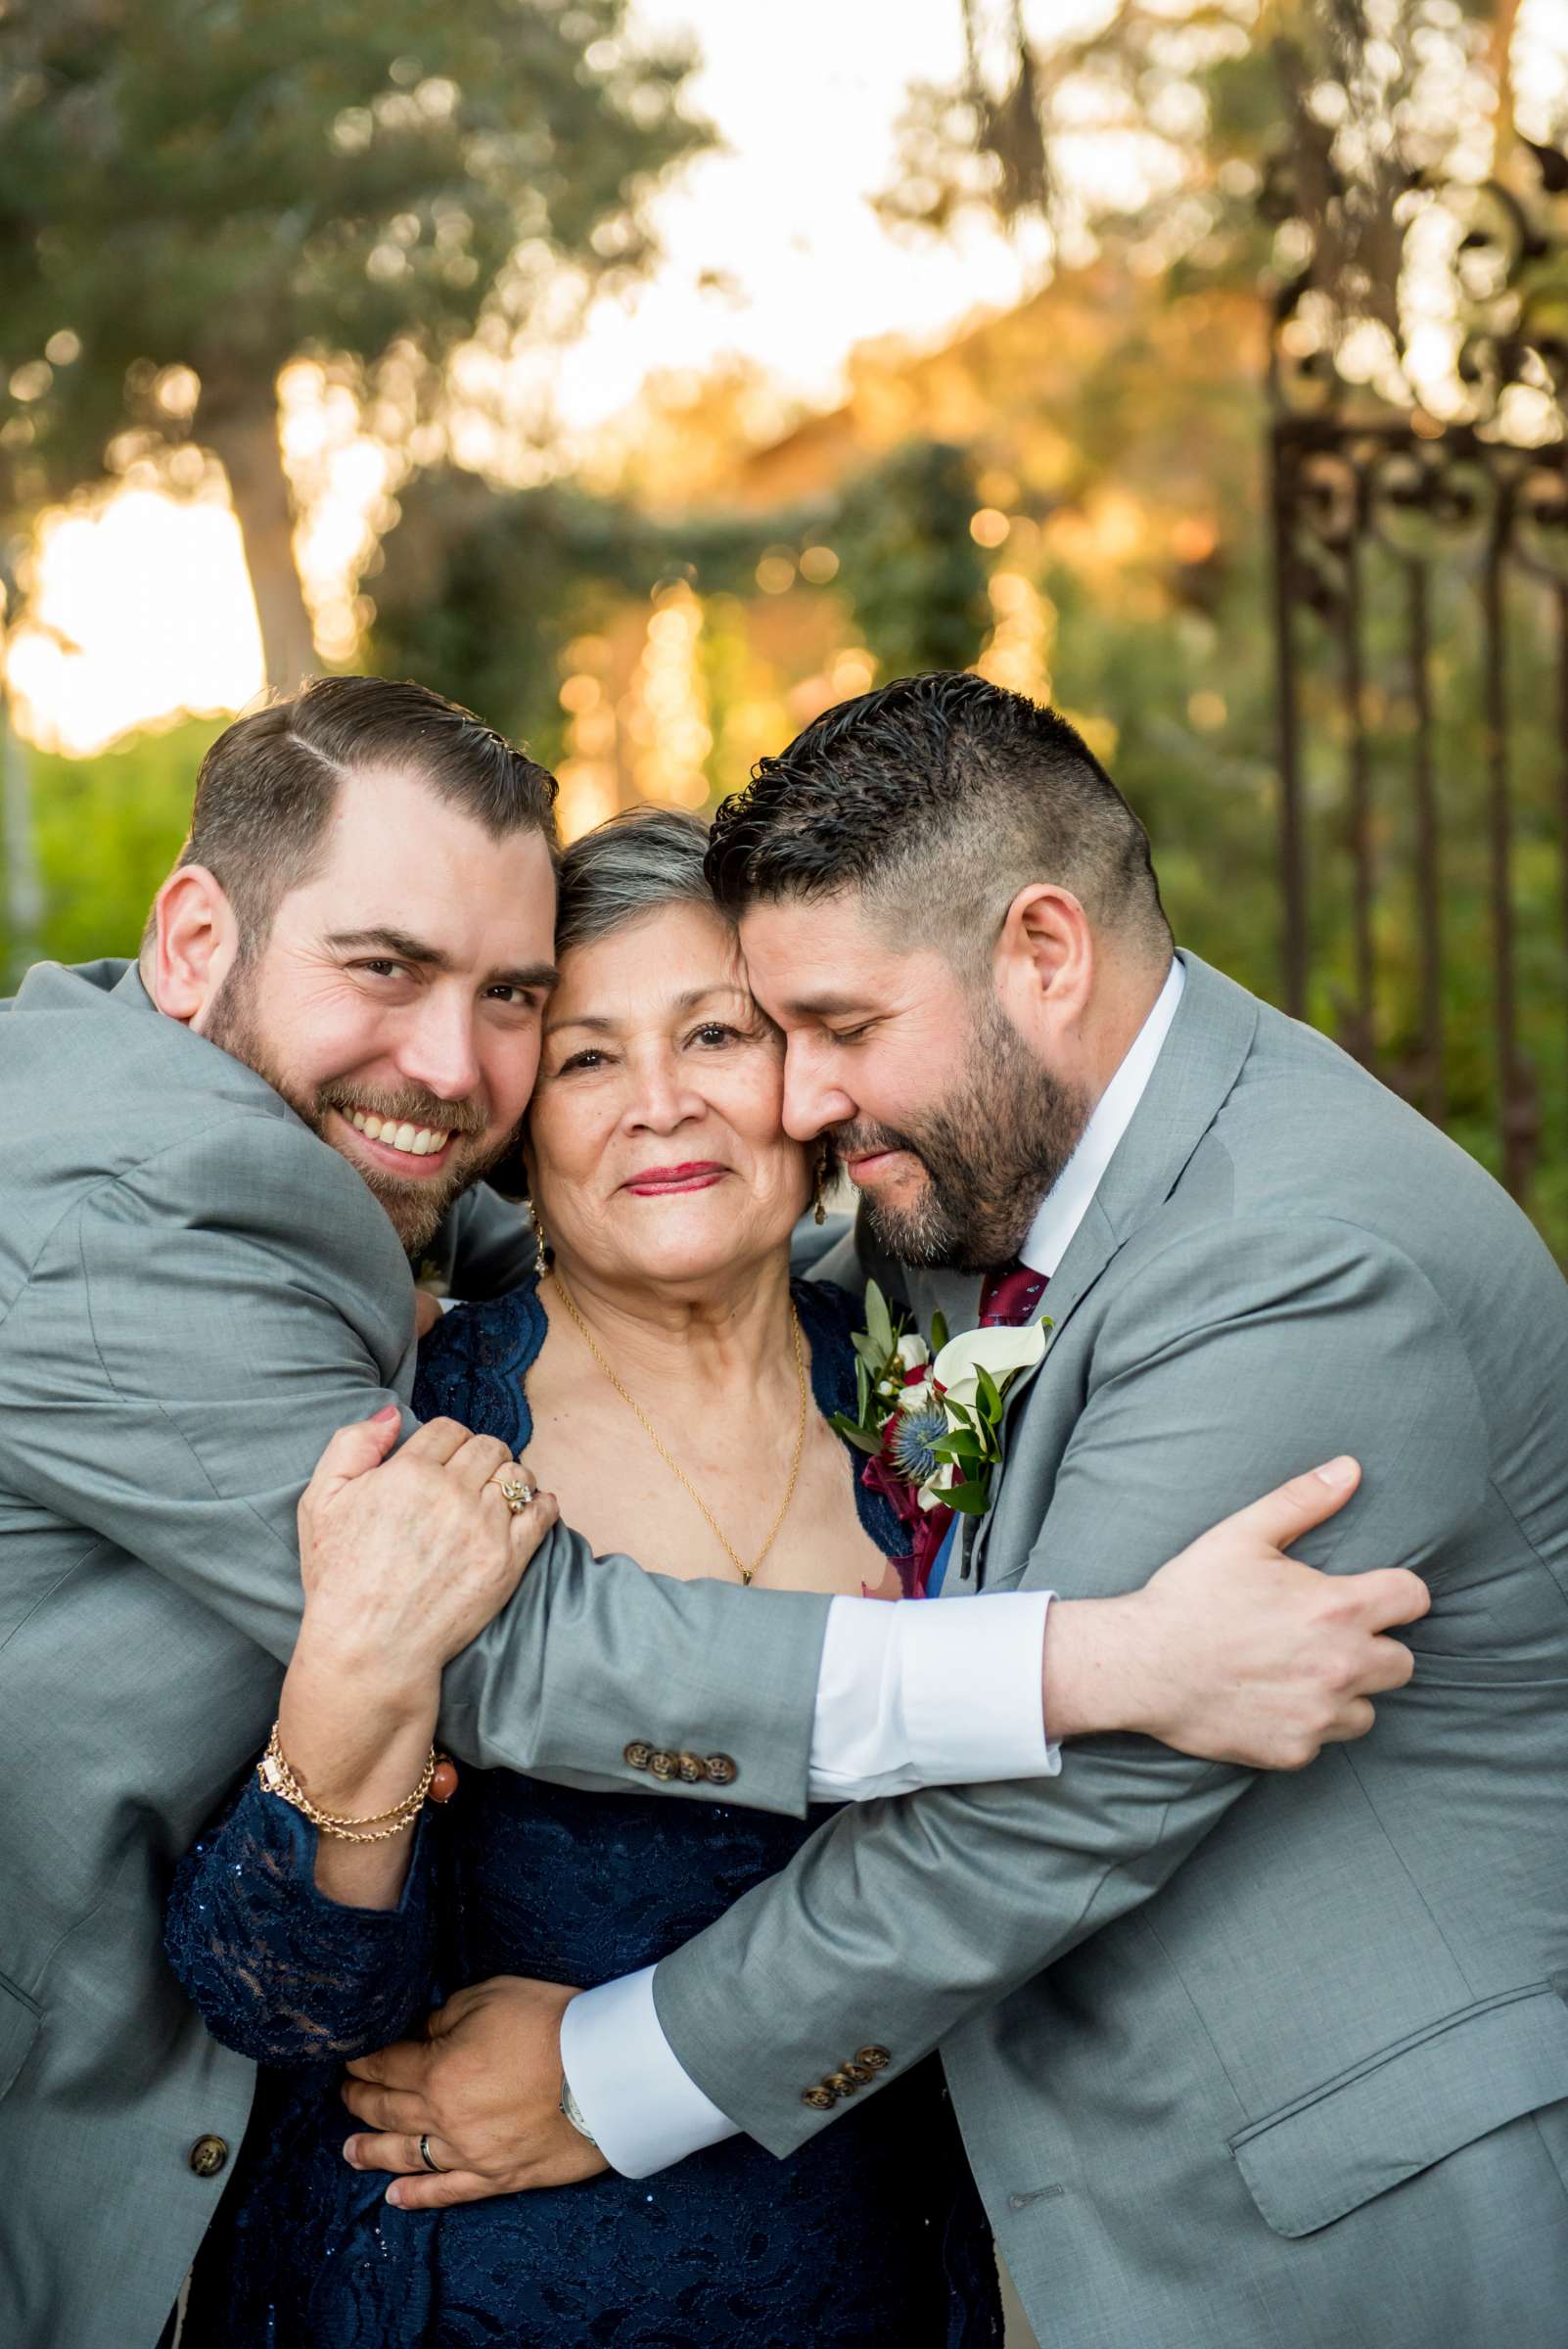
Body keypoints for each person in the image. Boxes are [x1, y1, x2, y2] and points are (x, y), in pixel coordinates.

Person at [0, 680, 1415, 2349]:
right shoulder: (410, 1430)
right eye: (587, 1054)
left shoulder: (954, 1374)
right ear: (528, 1137)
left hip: (874, 2270)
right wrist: (357, 1717)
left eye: (717, 1035)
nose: (657, 1099)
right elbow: (271, 1993)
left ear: (808, 1082)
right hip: (452, 2288)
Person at [354, 676, 1568, 2349]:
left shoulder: (1298, 1262)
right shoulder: (1005, 1173)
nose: (798, 1101)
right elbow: (686, 1237)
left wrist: (607, 2073)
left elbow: (1047, 1806)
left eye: (836, 1031)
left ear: (1043, 953)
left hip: (1327, 2202)